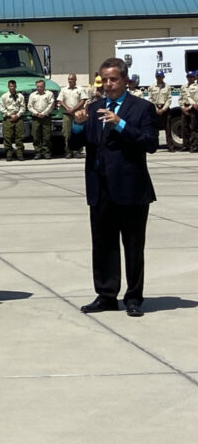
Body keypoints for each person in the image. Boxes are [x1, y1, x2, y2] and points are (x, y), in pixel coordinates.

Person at [70, 57, 158, 317]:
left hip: (131, 188)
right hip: (100, 188)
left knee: (132, 245)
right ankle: (106, 295)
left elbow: (150, 143)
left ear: (125, 80)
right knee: (103, 244)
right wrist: (78, 124)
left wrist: (120, 123)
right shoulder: (94, 108)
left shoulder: (142, 108)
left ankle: (134, 297)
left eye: (113, 79)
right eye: (104, 80)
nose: (108, 85)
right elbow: (76, 145)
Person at [59, 73, 89, 159]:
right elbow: (60, 101)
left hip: (78, 114)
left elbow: (83, 100)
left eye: (72, 79)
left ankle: (78, 151)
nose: (70, 81)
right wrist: (68, 109)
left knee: (78, 132)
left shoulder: (80, 89)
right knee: (67, 133)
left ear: (75, 80)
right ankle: (69, 152)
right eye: (69, 79)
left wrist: (74, 109)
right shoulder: (64, 90)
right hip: (67, 114)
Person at [28, 79, 55, 159]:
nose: (39, 88)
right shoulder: (32, 95)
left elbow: (51, 104)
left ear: (44, 86)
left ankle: (46, 152)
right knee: (36, 135)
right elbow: (29, 106)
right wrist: (36, 113)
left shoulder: (49, 94)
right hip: (35, 117)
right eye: (38, 86)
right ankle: (38, 152)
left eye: (41, 86)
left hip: (46, 116)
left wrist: (44, 113)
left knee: (47, 135)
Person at [147, 71, 174, 151]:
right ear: (155, 77)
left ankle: (170, 146)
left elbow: (169, 99)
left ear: (163, 77)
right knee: (155, 129)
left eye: (160, 76)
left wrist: (163, 109)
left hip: (164, 108)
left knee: (168, 128)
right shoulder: (152, 87)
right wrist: (156, 109)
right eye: (158, 76)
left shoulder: (167, 87)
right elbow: (150, 99)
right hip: (155, 109)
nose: (159, 78)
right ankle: (155, 145)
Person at [0, 80, 26, 160]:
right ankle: (9, 154)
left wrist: (17, 115)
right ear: (8, 87)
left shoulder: (20, 96)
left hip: (18, 118)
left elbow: (23, 107)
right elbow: (2, 109)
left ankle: (20, 154)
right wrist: (10, 115)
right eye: (11, 86)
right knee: (7, 137)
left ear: (16, 87)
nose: (12, 88)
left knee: (19, 137)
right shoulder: (4, 96)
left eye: (14, 86)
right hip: (8, 118)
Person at [182, 71, 198, 152]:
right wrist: (193, 105)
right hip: (193, 108)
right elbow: (188, 97)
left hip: (194, 107)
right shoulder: (192, 86)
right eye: (189, 77)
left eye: (192, 77)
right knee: (193, 128)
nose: (190, 78)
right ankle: (193, 146)